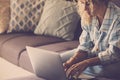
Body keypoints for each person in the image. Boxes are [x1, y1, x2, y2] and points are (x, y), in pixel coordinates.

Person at [60, 0, 120, 79]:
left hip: (115, 61)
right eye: (82, 3)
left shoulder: (117, 18)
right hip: (94, 55)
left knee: (92, 69)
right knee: (60, 61)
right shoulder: (87, 14)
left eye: (88, 3)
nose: (84, 8)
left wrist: (86, 62)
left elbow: (114, 54)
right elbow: (85, 46)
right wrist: (72, 61)